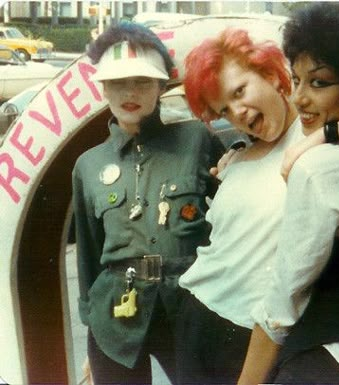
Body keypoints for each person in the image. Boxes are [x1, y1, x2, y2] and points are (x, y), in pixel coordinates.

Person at [176, 23, 339, 385]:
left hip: (254, 333)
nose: (236, 111)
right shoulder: (238, 156)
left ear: (271, 74)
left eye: (240, 91)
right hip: (197, 313)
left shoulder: (319, 134)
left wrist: (320, 136)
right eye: (223, 108)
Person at [72, 22, 224, 385]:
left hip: (188, 305)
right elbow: (89, 255)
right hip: (114, 317)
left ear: (162, 85)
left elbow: (231, 217)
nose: (130, 91)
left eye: (142, 80)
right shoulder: (88, 165)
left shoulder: (196, 139)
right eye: (118, 82)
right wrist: (92, 328)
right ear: (103, 87)